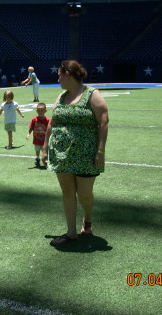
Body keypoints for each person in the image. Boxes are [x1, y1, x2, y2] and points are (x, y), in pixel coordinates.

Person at [42, 60, 109, 246]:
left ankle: (87, 219)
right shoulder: (61, 97)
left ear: (68, 74)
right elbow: (51, 123)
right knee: (68, 192)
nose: (58, 78)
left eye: (60, 75)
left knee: (85, 193)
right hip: (61, 154)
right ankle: (71, 232)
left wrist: (100, 151)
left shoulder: (92, 94)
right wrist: (45, 148)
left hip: (86, 154)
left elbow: (103, 122)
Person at [26, 102, 50, 168]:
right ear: (36, 111)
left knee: (44, 150)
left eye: (42, 110)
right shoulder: (34, 119)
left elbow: (50, 129)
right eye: (39, 110)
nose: (40, 112)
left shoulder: (48, 120)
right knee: (37, 150)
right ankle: (37, 158)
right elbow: (31, 127)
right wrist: (28, 134)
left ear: (45, 110)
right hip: (36, 139)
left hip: (44, 140)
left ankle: (45, 160)